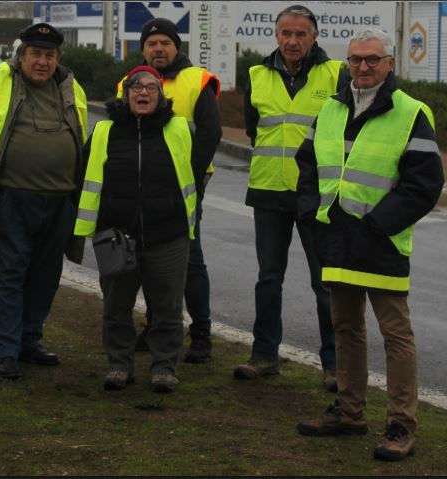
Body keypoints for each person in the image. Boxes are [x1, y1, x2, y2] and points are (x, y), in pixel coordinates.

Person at [294, 27, 443, 462]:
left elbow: (424, 184)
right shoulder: (330, 108)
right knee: (345, 327)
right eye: (356, 59)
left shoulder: (411, 112)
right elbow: (308, 166)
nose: (363, 66)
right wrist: (311, 214)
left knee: (395, 334)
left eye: (372, 59)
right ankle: (349, 411)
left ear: (389, 63)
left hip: (382, 241)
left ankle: (401, 424)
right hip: (336, 238)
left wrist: (378, 226)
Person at [0, 23, 87, 380]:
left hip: (59, 200)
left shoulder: (73, 88)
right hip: (10, 198)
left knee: (45, 276)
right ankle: (5, 350)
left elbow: (80, 137)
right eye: (35, 54)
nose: (42, 62)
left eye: (50, 55)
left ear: (58, 58)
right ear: (21, 55)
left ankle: (29, 341)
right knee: (7, 274)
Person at [236, 5, 346, 391]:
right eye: (286, 33)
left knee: (325, 283)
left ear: (314, 37)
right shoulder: (257, 75)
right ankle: (264, 355)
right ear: (276, 35)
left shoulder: (336, 74)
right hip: (268, 191)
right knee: (268, 278)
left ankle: (334, 365)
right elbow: (254, 129)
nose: (293, 40)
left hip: (317, 195)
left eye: (301, 34)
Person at [76, 66, 197, 393]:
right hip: (117, 237)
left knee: (168, 308)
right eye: (136, 87)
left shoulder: (179, 129)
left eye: (151, 88)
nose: (143, 92)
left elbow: (197, 170)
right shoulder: (104, 131)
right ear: (125, 94)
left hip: (167, 236)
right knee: (116, 306)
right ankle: (119, 365)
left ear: (161, 95)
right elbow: (83, 175)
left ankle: (164, 368)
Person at [126, 18, 222, 364]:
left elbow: (210, 133)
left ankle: (201, 335)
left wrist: (189, 180)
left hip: (185, 187)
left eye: (165, 43)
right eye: (152, 44)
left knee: (190, 260)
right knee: (150, 259)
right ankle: (156, 327)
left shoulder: (197, 80)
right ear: (143, 49)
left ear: (176, 47)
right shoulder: (130, 82)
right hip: (144, 187)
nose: (158, 49)